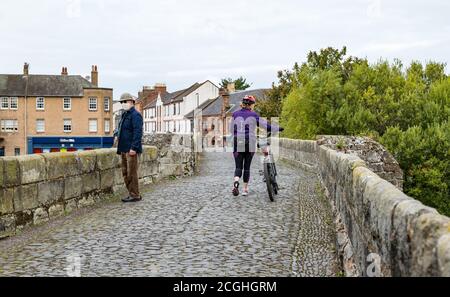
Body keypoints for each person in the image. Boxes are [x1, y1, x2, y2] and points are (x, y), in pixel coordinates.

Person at [230, 95, 283, 196]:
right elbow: (266, 126)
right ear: (251, 105)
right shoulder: (253, 115)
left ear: (243, 104)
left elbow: (231, 129)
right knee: (246, 167)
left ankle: (236, 184)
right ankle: (245, 189)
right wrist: (277, 128)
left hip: (238, 141)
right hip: (250, 141)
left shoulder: (235, 114)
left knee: (238, 166)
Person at [115, 93, 143, 203]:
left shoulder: (136, 115)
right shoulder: (124, 114)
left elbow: (137, 132)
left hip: (131, 149)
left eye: (125, 102)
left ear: (131, 102)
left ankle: (135, 195)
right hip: (123, 148)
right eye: (122, 102)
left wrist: (134, 148)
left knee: (132, 173)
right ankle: (131, 193)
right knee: (125, 173)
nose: (123, 104)